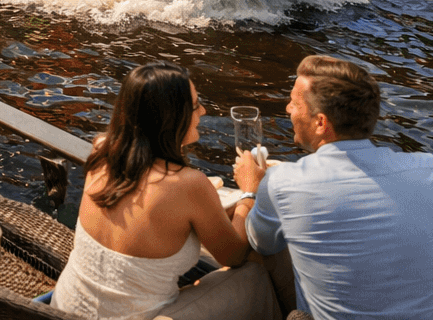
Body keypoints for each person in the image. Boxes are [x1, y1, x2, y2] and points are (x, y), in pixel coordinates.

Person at [237, 55, 433, 320]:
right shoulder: (432, 170)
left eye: (294, 103)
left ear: (321, 123)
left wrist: (252, 190)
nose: (287, 109)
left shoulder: (283, 182)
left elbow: (262, 244)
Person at [53, 62, 281, 320]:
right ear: (170, 117)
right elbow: (235, 255)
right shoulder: (188, 184)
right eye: (196, 105)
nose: (204, 111)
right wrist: (249, 192)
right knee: (256, 275)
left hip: (64, 309)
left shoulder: (103, 149)